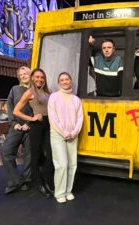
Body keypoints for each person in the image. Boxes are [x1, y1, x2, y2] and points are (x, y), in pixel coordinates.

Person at [13, 68, 54, 198]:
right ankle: (39, 183)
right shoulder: (30, 92)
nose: (39, 79)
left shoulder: (49, 92)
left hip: (49, 124)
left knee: (51, 155)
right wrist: (31, 118)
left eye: (42, 77)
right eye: (37, 77)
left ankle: (48, 181)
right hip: (37, 125)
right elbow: (16, 111)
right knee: (35, 155)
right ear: (32, 78)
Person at [48, 72, 83, 204]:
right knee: (61, 164)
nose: (64, 81)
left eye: (67, 79)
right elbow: (53, 118)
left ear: (71, 81)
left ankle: (68, 191)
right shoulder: (54, 97)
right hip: (58, 135)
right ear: (59, 83)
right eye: (62, 80)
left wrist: (73, 132)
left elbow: (80, 118)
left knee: (72, 165)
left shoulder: (76, 100)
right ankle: (59, 193)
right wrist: (64, 133)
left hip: (73, 135)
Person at [1, 66, 33, 194]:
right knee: (6, 151)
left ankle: (27, 180)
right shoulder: (14, 89)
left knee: (29, 155)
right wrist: (13, 123)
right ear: (19, 77)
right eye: (21, 74)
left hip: (30, 126)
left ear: (30, 74)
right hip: (16, 126)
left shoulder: (35, 90)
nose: (24, 75)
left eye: (26, 73)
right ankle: (15, 180)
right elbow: (9, 107)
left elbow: (38, 109)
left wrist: (29, 123)